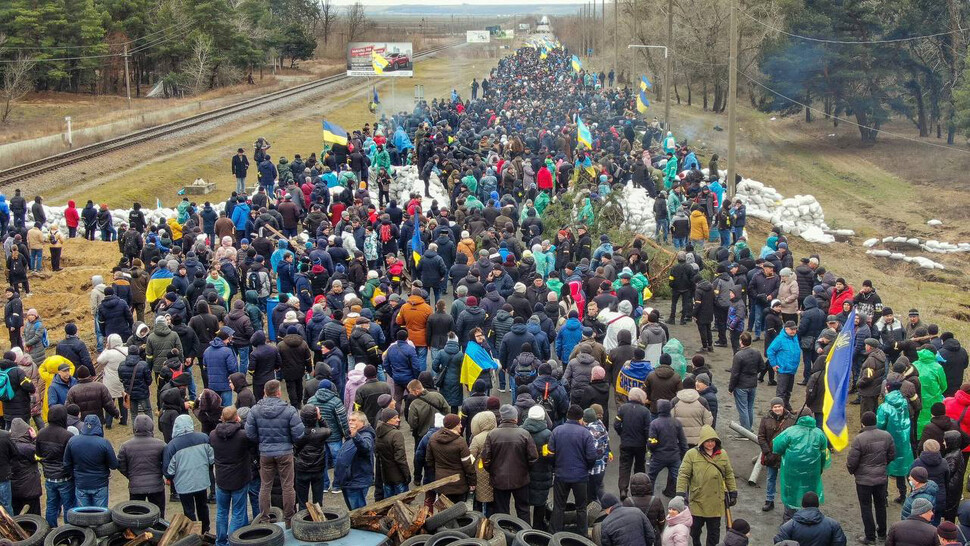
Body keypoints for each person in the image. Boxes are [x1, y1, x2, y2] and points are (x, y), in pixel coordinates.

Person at [245, 380, 304, 520]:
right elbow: (299, 433)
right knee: (288, 486)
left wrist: (261, 442)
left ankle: (264, 518)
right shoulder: (289, 410)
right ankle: (289, 517)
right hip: (285, 452)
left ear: (265, 393)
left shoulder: (255, 410)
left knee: (265, 486)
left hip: (265, 453)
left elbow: (249, 433)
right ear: (279, 392)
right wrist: (289, 442)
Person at [675, 425, 736, 546]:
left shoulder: (722, 454)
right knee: (695, 530)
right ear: (702, 441)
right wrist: (680, 493)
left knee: (714, 533)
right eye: (707, 441)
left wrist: (733, 491)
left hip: (716, 502)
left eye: (713, 441)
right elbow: (683, 474)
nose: (710, 444)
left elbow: (729, 473)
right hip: (698, 500)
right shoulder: (691, 454)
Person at [847, 411, 895, 544]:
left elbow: (852, 461)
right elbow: (892, 454)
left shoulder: (859, 439)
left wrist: (853, 471)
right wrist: (883, 464)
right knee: (880, 505)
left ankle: (870, 537)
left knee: (866, 507)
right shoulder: (886, 436)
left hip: (863, 481)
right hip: (881, 478)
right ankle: (882, 534)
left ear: (862, 423)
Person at [772, 410, 830, 521]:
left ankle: (789, 522)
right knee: (810, 495)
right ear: (812, 417)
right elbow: (824, 455)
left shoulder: (790, 431)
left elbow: (777, 447)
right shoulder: (819, 433)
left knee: (791, 494)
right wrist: (820, 469)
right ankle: (809, 520)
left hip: (791, 470)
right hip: (812, 472)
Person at [483, 404, 538, 520]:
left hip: (499, 479)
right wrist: (525, 470)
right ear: (515, 418)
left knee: (502, 512)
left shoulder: (492, 435)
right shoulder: (524, 434)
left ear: (502, 418)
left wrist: (493, 471)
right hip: (521, 479)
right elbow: (533, 457)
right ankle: (525, 534)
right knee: (523, 510)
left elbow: (486, 459)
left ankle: (505, 534)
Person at [549, 404, 597, 535]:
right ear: (581, 418)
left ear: (567, 416)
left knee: (559, 506)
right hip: (580, 477)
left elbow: (550, 453)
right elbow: (592, 456)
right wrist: (586, 468)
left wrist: (555, 467)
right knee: (581, 508)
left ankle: (555, 534)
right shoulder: (585, 434)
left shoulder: (557, 431)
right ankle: (582, 534)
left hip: (561, 475)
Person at [164, 414, 215, 535]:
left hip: (184, 485)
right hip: (201, 481)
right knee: (202, 506)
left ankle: (193, 533)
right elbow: (212, 458)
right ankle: (206, 529)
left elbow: (168, 470)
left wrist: (171, 478)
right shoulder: (203, 438)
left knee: (189, 510)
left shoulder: (172, 445)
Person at [210, 406, 253, 546]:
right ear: (237, 418)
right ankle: (231, 542)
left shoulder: (213, 435)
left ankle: (220, 541)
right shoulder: (243, 436)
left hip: (222, 479)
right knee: (238, 513)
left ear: (222, 418)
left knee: (221, 512)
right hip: (239, 479)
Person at [63, 415, 118, 507]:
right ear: (98, 426)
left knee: (83, 516)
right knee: (100, 516)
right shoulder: (104, 443)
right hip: (100, 484)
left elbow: (66, 463)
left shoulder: (72, 441)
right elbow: (114, 465)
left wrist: (75, 475)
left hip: (81, 483)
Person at [35, 404, 75, 526]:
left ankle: (51, 531)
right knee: (69, 507)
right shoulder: (68, 435)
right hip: (65, 478)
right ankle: (69, 531)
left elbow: (38, 455)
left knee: (51, 506)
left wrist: (46, 466)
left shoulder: (41, 433)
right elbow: (71, 458)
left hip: (49, 477)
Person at [879, 382, 916, 503]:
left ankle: (884, 497)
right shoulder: (904, 402)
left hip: (888, 442)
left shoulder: (885, 407)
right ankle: (903, 494)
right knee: (902, 468)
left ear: (888, 389)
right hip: (904, 441)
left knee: (885, 469)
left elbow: (879, 425)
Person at [427, 413, 476, 503]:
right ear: (454, 426)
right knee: (459, 512)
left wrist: (437, 473)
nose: (461, 426)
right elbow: (467, 465)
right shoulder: (460, 442)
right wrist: (472, 482)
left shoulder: (433, 438)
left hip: (441, 483)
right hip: (459, 485)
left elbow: (429, 460)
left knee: (444, 511)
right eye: (459, 424)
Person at [333, 410, 376, 509]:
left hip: (356, 482)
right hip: (348, 481)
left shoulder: (366, 435)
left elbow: (365, 447)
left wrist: (356, 436)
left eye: (353, 420)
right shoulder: (351, 435)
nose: (350, 422)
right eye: (349, 420)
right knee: (352, 511)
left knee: (358, 512)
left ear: (362, 422)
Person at [772, 491, 847, 546]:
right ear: (817, 504)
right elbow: (840, 543)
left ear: (802, 504)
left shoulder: (788, 526)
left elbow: (779, 542)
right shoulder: (833, 525)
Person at [616, 387, 651, 499]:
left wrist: (622, 434)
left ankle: (623, 489)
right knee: (640, 466)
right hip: (640, 445)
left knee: (624, 466)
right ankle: (638, 489)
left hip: (626, 443)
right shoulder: (645, 411)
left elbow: (616, 424)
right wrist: (647, 442)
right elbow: (647, 429)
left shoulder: (623, 408)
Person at [728, 332, 761, 431]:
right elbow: (762, 367)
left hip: (741, 386)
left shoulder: (739, 355)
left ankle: (745, 431)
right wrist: (754, 373)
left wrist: (731, 388)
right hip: (753, 384)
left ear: (741, 342)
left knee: (743, 408)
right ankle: (749, 428)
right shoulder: (757, 352)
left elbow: (735, 374)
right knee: (749, 407)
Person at [374, 408, 410, 498]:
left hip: (386, 477)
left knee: (389, 505)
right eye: (395, 418)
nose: (398, 419)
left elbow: (377, 454)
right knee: (404, 504)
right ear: (388, 420)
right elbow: (400, 458)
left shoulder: (378, 432)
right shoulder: (396, 434)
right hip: (398, 477)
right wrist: (407, 475)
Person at [9, 418, 40, 516]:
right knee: (34, 518)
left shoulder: (7, 445)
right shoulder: (28, 448)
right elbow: (40, 456)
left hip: (13, 488)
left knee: (17, 516)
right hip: (30, 489)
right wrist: (35, 439)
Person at [766, 320, 800, 408]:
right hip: (783, 369)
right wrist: (773, 364)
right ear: (786, 329)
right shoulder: (780, 339)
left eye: (795, 329)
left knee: (788, 391)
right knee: (781, 392)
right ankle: (779, 409)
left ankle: (786, 406)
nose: (793, 331)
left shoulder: (795, 338)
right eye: (791, 329)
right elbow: (770, 351)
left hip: (792, 369)